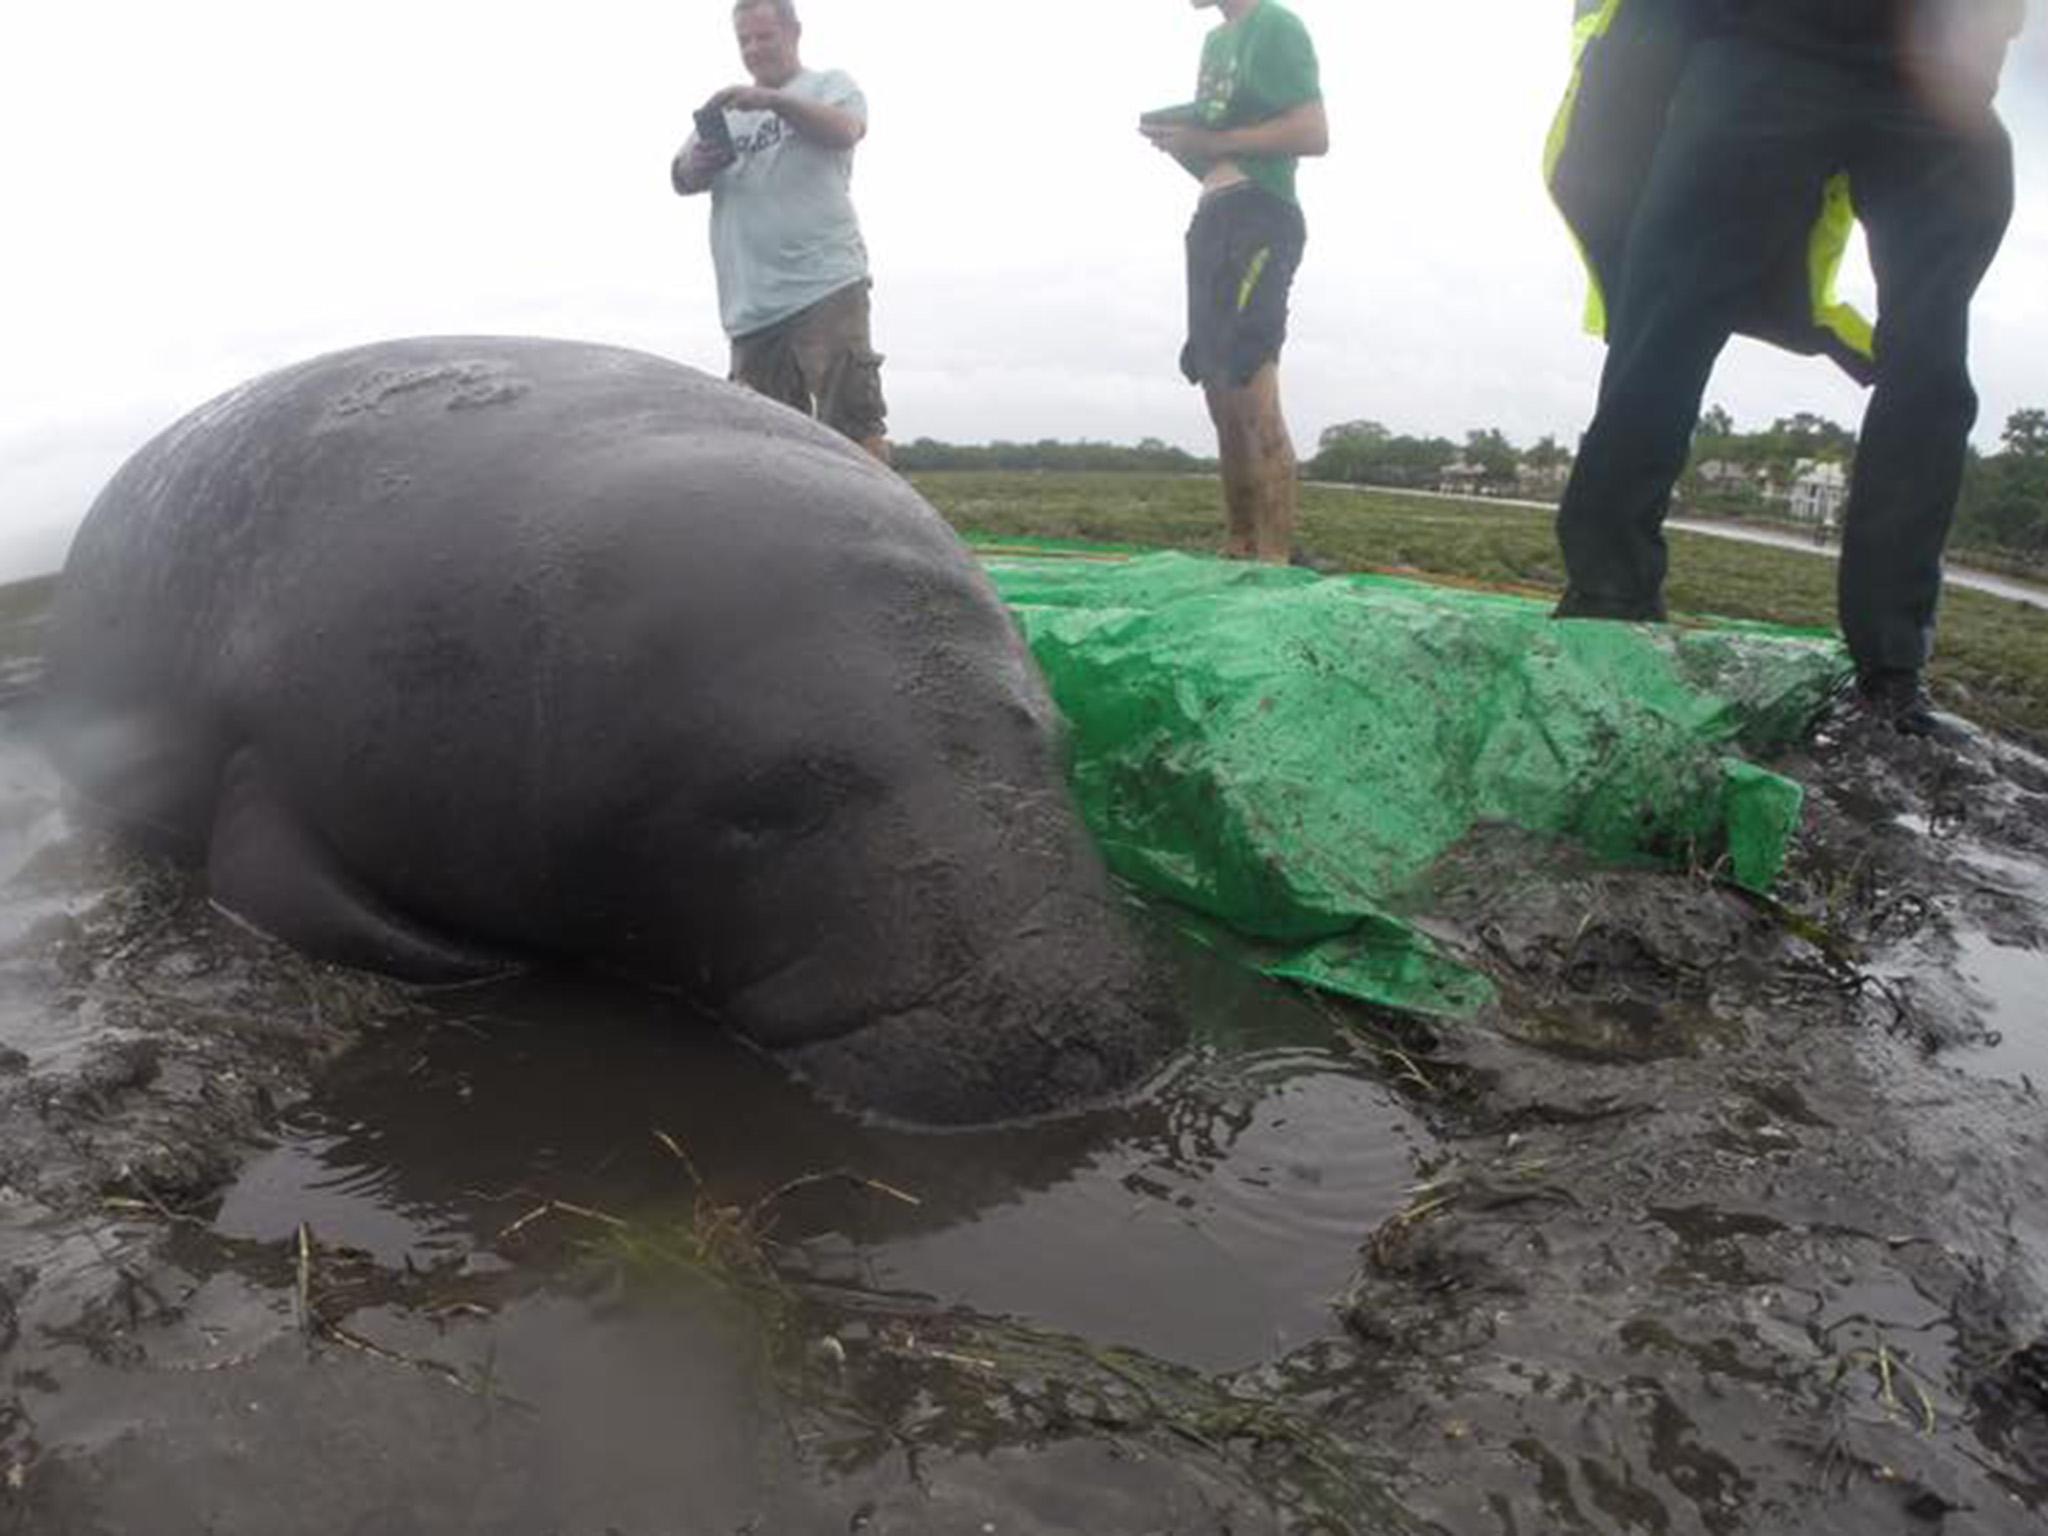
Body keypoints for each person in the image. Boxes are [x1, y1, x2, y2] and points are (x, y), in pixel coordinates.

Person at [1547, 0, 2022, 739]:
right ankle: (1608, 593)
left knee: (1929, 363)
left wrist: (1981, 51)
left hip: (1941, 74)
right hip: (1761, 40)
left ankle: (1892, 668)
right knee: (1666, 314)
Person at [1141, 0, 1329, 565]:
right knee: (1217, 386)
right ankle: (1240, 543)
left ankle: (1274, 558)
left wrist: (1215, 144)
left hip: (1261, 212)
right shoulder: (1215, 41)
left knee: (1250, 381)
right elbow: (1223, 129)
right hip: (1213, 211)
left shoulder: (1277, 23)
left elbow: (1313, 131)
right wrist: (1184, 139)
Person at [672, 0, 889, 462]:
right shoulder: (725, 110)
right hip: (751, 307)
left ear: (794, 33)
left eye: (763, 37)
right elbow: (679, 177)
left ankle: (869, 532)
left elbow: (846, 130)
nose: (753, 49)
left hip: (825, 286)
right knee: (764, 447)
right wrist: (696, 165)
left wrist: (775, 102)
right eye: (744, 40)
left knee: (853, 427)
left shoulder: (829, 85)